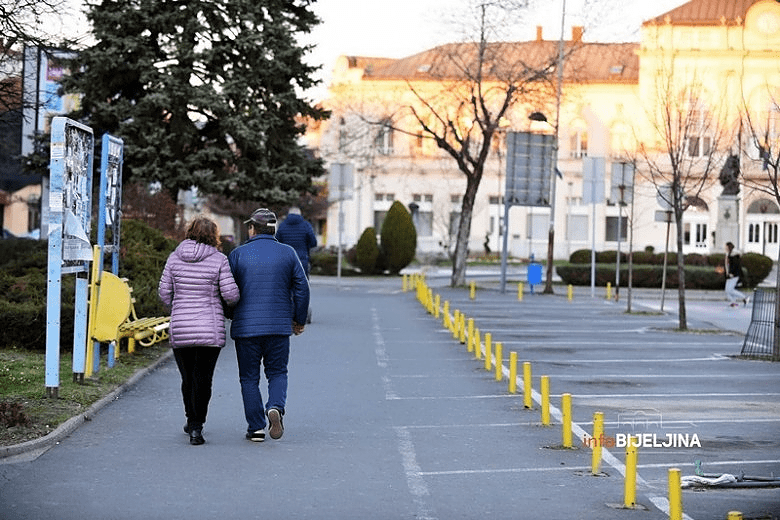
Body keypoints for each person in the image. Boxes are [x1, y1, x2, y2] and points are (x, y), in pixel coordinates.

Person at [228, 208, 310, 442]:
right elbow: (302, 288)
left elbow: (227, 289)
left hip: (246, 328)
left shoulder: (238, 254)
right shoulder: (288, 253)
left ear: (253, 228)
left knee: (248, 378)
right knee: (277, 372)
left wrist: (231, 314)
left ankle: (256, 427)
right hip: (278, 327)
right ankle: (275, 406)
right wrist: (298, 320)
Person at [158, 216, 239, 445]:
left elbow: (164, 294)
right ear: (214, 235)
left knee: (187, 378)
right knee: (203, 378)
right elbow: (231, 295)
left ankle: (190, 419)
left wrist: (178, 305)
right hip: (209, 329)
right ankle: (197, 427)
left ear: (189, 232)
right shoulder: (219, 260)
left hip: (181, 326)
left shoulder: (174, 259)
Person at [276, 206, 317, 323]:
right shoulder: (306, 225)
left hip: (286, 261)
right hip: (302, 260)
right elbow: (313, 242)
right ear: (300, 214)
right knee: (302, 286)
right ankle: (303, 311)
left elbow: (277, 241)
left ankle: (287, 309)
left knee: (287, 285)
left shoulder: (282, 225)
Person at [724, 241, 747, 307]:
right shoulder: (728, 254)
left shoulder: (734, 255)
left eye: (726, 247)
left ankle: (744, 298)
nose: (725, 248)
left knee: (730, 290)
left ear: (729, 247)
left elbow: (735, 266)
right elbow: (727, 265)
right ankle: (733, 302)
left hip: (734, 275)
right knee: (727, 290)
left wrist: (731, 273)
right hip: (729, 275)